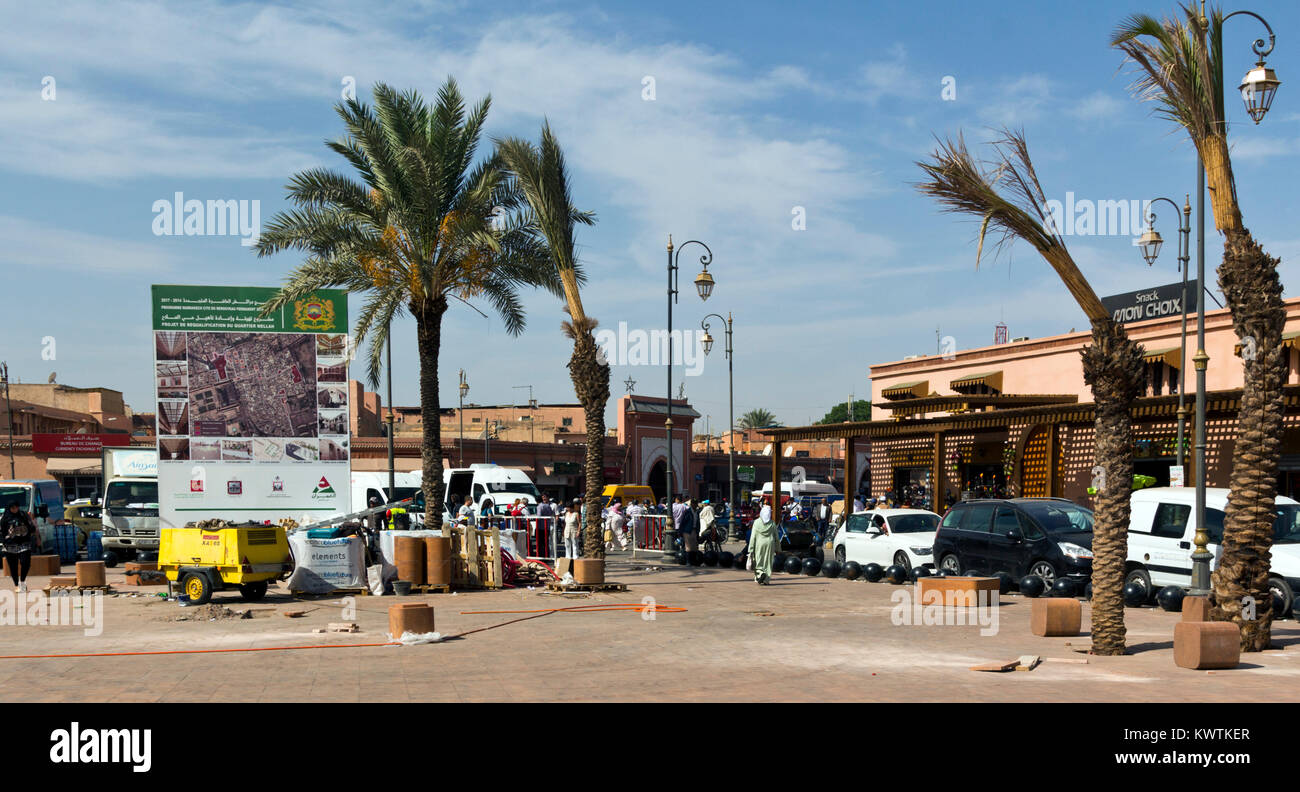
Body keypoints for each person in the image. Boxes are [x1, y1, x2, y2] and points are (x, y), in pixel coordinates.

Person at [1, 502, 38, 593]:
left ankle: (22, 581)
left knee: (25, 562)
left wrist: (31, 531)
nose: (15, 509)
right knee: (13, 566)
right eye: (13, 508)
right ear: (9, 508)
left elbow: (32, 527)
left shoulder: (23, 515)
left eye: (16, 507)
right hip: (10, 545)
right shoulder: (4, 518)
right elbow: (2, 532)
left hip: (24, 543)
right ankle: (16, 585)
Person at [748, 504, 777, 585]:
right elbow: (776, 537)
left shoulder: (756, 522)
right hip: (770, 543)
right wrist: (778, 548)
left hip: (759, 543)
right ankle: (766, 579)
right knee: (768, 561)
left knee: (758, 560)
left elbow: (753, 536)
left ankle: (760, 574)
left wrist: (750, 548)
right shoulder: (772, 523)